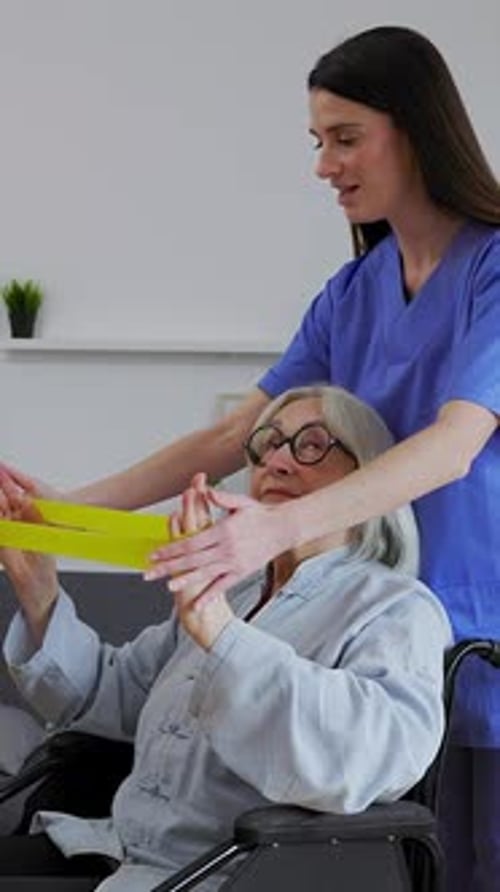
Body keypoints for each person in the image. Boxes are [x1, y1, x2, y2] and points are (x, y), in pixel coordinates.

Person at [2, 24, 499, 891]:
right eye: (318, 141)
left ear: (416, 130)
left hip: (461, 626)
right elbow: (231, 438)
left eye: (346, 138)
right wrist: (66, 513)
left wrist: (269, 528)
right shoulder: (353, 292)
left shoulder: (493, 271)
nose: (324, 164)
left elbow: (456, 445)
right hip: (344, 611)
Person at [0, 386, 451, 892]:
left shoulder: (395, 609)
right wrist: (39, 592)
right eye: (269, 442)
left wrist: (220, 633)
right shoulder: (233, 593)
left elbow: (363, 759)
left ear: (369, 478)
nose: (277, 460)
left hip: (235, 875)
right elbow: (110, 697)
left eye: (312, 444)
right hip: (122, 855)